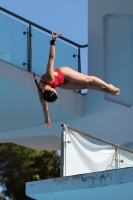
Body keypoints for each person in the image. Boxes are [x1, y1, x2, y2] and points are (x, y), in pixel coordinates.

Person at [34, 32, 120, 128]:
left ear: (51, 89)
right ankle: (107, 92)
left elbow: (51, 58)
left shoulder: (48, 78)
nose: (56, 91)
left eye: (55, 91)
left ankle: (108, 86)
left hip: (64, 73)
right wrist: (47, 119)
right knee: (84, 86)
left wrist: (53, 41)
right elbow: (44, 107)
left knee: (87, 81)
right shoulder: (42, 94)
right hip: (61, 83)